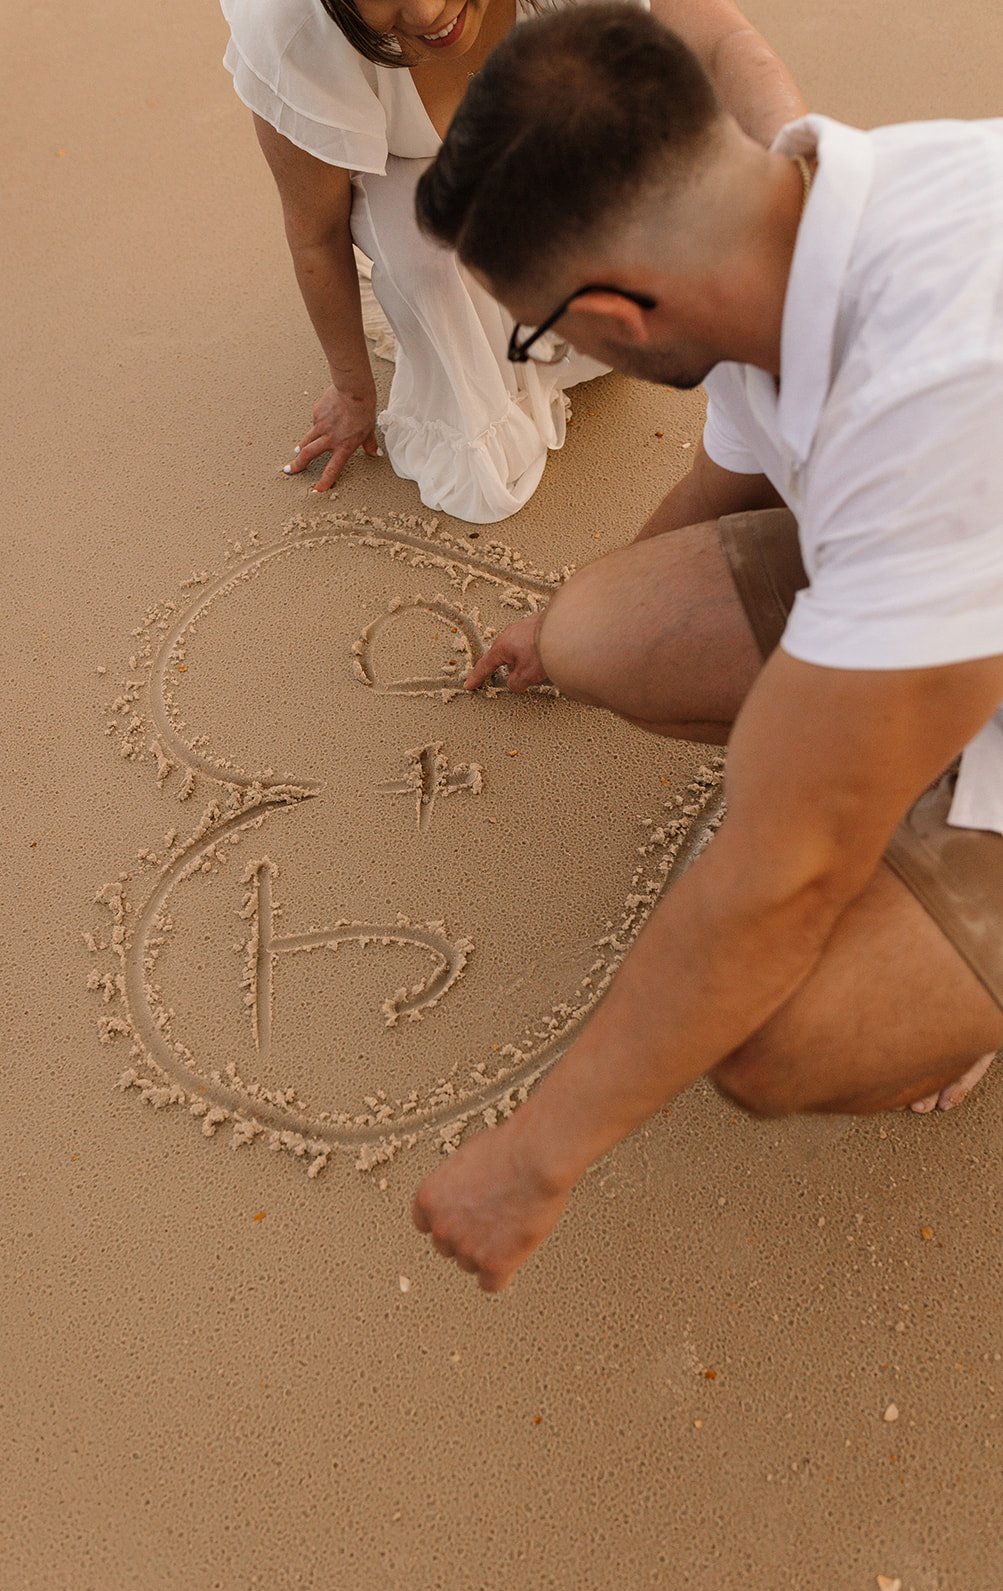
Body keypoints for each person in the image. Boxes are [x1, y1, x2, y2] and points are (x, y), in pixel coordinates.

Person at [409, 4, 1003, 1289]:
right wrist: (555, 625)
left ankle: (964, 961)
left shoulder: (942, 391)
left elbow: (780, 874)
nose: (551, 352)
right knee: (602, 630)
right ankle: (904, 759)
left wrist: (533, 1159)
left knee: (774, 1034)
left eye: (538, 331)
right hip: (947, 598)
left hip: (952, 557)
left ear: (617, 307)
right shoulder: (786, 213)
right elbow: (726, 489)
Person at [219, 0, 804, 521]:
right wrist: (353, 392)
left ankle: (569, 329)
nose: (425, 14)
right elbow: (315, 232)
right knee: (430, 260)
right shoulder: (290, 26)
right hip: (404, 166)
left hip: (554, 113)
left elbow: (726, 41)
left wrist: (798, 180)